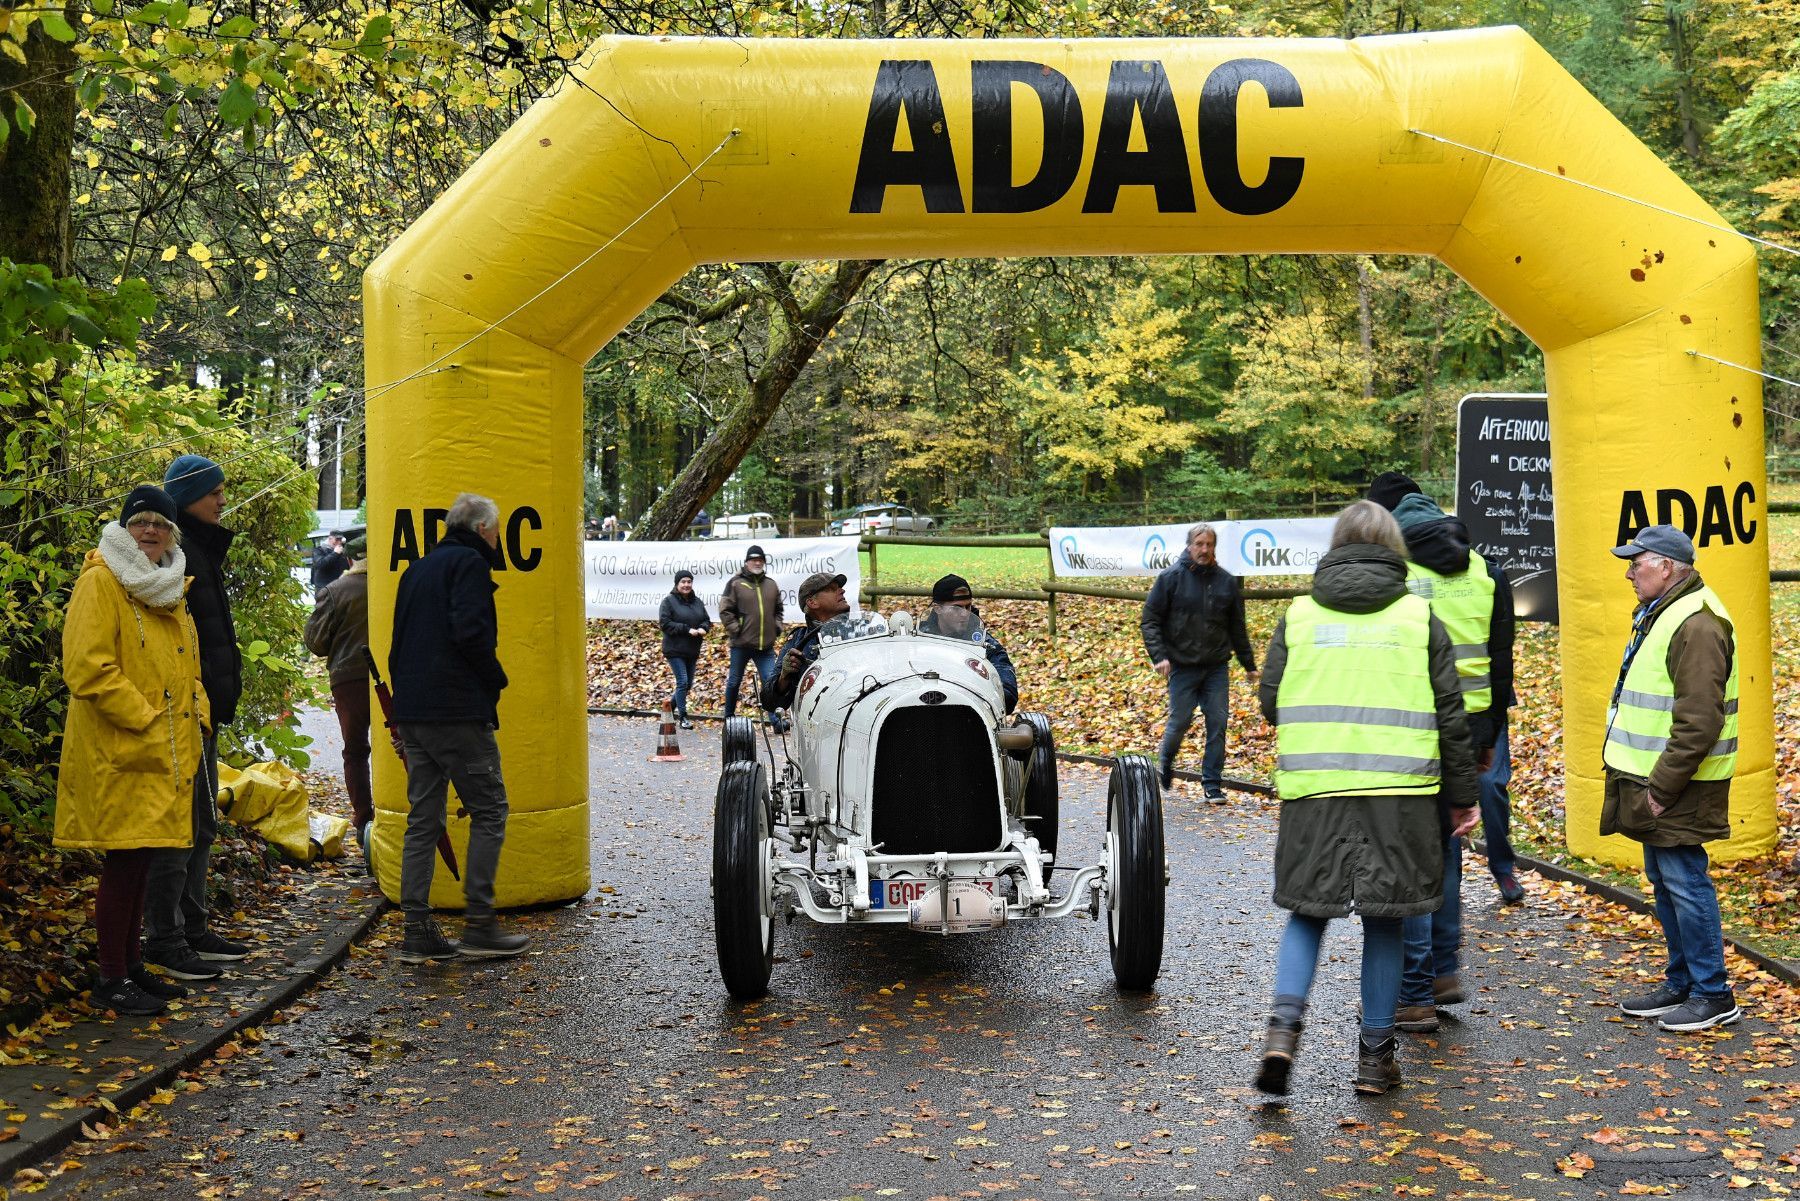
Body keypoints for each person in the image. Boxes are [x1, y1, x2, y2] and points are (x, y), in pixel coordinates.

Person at [1253, 501, 1479, 1098]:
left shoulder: (1298, 615)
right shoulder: (1416, 617)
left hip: (1314, 791)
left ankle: (1282, 1030)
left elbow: (1270, 702)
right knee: (1388, 920)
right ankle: (1375, 1060)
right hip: (1400, 795)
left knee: (1307, 911)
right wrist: (1462, 798)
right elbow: (1451, 716)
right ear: (1393, 547)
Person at [1367, 473, 1521, 1036]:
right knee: (1448, 849)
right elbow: (1501, 662)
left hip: (1413, 725)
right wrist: (1488, 740)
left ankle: (1414, 990)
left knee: (1411, 858)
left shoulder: (1397, 573)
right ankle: (1443, 969)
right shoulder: (1487, 571)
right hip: (1472, 727)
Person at [57, 486, 209, 1016]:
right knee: (125, 862)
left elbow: (187, 668)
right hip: (119, 748)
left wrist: (200, 715)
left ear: (173, 534)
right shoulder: (101, 582)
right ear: (124, 529)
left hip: (163, 749)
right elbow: (87, 668)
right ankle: (111, 977)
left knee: (143, 858)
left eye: (160, 524)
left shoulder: (169, 589)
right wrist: (146, 719)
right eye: (139, 521)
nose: (150, 530)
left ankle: (131, 966)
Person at [1603, 525, 1740, 1032]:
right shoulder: (1666, 611)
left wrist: (1661, 789)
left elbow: (1699, 719)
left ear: (1666, 566)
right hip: (1658, 778)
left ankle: (1713, 993)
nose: (1629, 571)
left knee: (1684, 881)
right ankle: (1683, 981)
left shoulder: (1697, 624)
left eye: (1636, 563)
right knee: (1666, 880)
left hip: (1676, 783)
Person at [388, 492, 531, 963]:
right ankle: (480, 924)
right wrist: (496, 679)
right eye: (495, 530)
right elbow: (470, 633)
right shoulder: (470, 565)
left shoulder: (418, 569)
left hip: (413, 711)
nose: (496, 538)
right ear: (484, 529)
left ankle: (416, 929)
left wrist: (402, 707)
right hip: (455, 710)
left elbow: (399, 642)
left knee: (423, 819)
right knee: (491, 809)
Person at [144, 453, 249, 982]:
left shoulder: (199, 551)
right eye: (214, 492)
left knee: (202, 823)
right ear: (188, 498)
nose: (222, 499)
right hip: (179, 712)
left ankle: (193, 925)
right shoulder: (171, 554)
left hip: (201, 710)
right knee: (178, 826)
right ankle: (167, 937)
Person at [1140, 522, 1258, 801]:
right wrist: (1159, 657)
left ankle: (1212, 783)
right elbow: (1150, 620)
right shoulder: (1170, 578)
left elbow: (1237, 628)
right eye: (1199, 544)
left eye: (1209, 545)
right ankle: (1166, 761)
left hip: (1216, 666)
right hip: (1182, 666)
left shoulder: (1226, 581)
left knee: (1217, 723)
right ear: (1189, 546)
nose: (1204, 550)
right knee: (1179, 721)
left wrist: (1249, 664)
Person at [304, 536, 373, 843]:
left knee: (355, 751)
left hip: (349, 678)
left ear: (349, 562)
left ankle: (363, 818)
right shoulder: (397, 585)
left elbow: (316, 643)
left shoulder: (336, 591)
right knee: (406, 745)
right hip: (396, 676)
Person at [918, 574, 1019, 713]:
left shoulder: (984, 642)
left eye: (968, 607)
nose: (965, 614)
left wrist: (992, 695)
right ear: (937, 608)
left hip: (971, 714)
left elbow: (1007, 692)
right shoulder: (918, 640)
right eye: (957, 608)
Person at [763, 572, 851, 712]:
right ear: (812, 602)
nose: (842, 590)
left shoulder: (864, 629)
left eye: (839, 587)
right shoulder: (797, 641)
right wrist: (784, 676)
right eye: (832, 589)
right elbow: (770, 703)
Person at [720, 544, 784, 726]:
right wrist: (736, 629)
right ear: (746, 562)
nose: (757, 562)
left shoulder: (771, 584)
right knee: (734, 682)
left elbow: (778, 609)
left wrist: (777, 626)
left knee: (770, 682)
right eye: (753, 559)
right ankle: (728, 718)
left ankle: (775, 721)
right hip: (741, 644)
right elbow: (725, 610)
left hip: (765, 646)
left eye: (760, 560)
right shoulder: (735, 583)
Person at [658, 569, 712, 729]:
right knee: (682, 682)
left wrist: (703, 628)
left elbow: (706, 620)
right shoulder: (668, 601)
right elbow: (665, 624)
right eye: (683, 582)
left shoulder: (697, 602)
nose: (686, 585)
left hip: (691, 650)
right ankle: (683, 718)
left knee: (687, 685)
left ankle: (670, 708)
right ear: (677, 584)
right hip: (674, 650)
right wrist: (686, 629)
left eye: (689, 582)